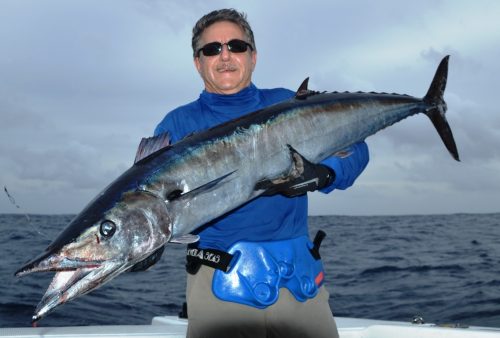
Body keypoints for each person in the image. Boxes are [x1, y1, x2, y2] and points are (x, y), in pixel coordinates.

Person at [154, 8, 369, 338]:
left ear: (253, 57)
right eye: (212, 49)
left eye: (236, 46)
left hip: (301, 284)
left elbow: (356, 148)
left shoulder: (288, 103)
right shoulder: (175, 127)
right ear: (198, 62)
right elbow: (146, 203)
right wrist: (146, 248)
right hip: (218, 288)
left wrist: (325, 174)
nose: (225, 56)